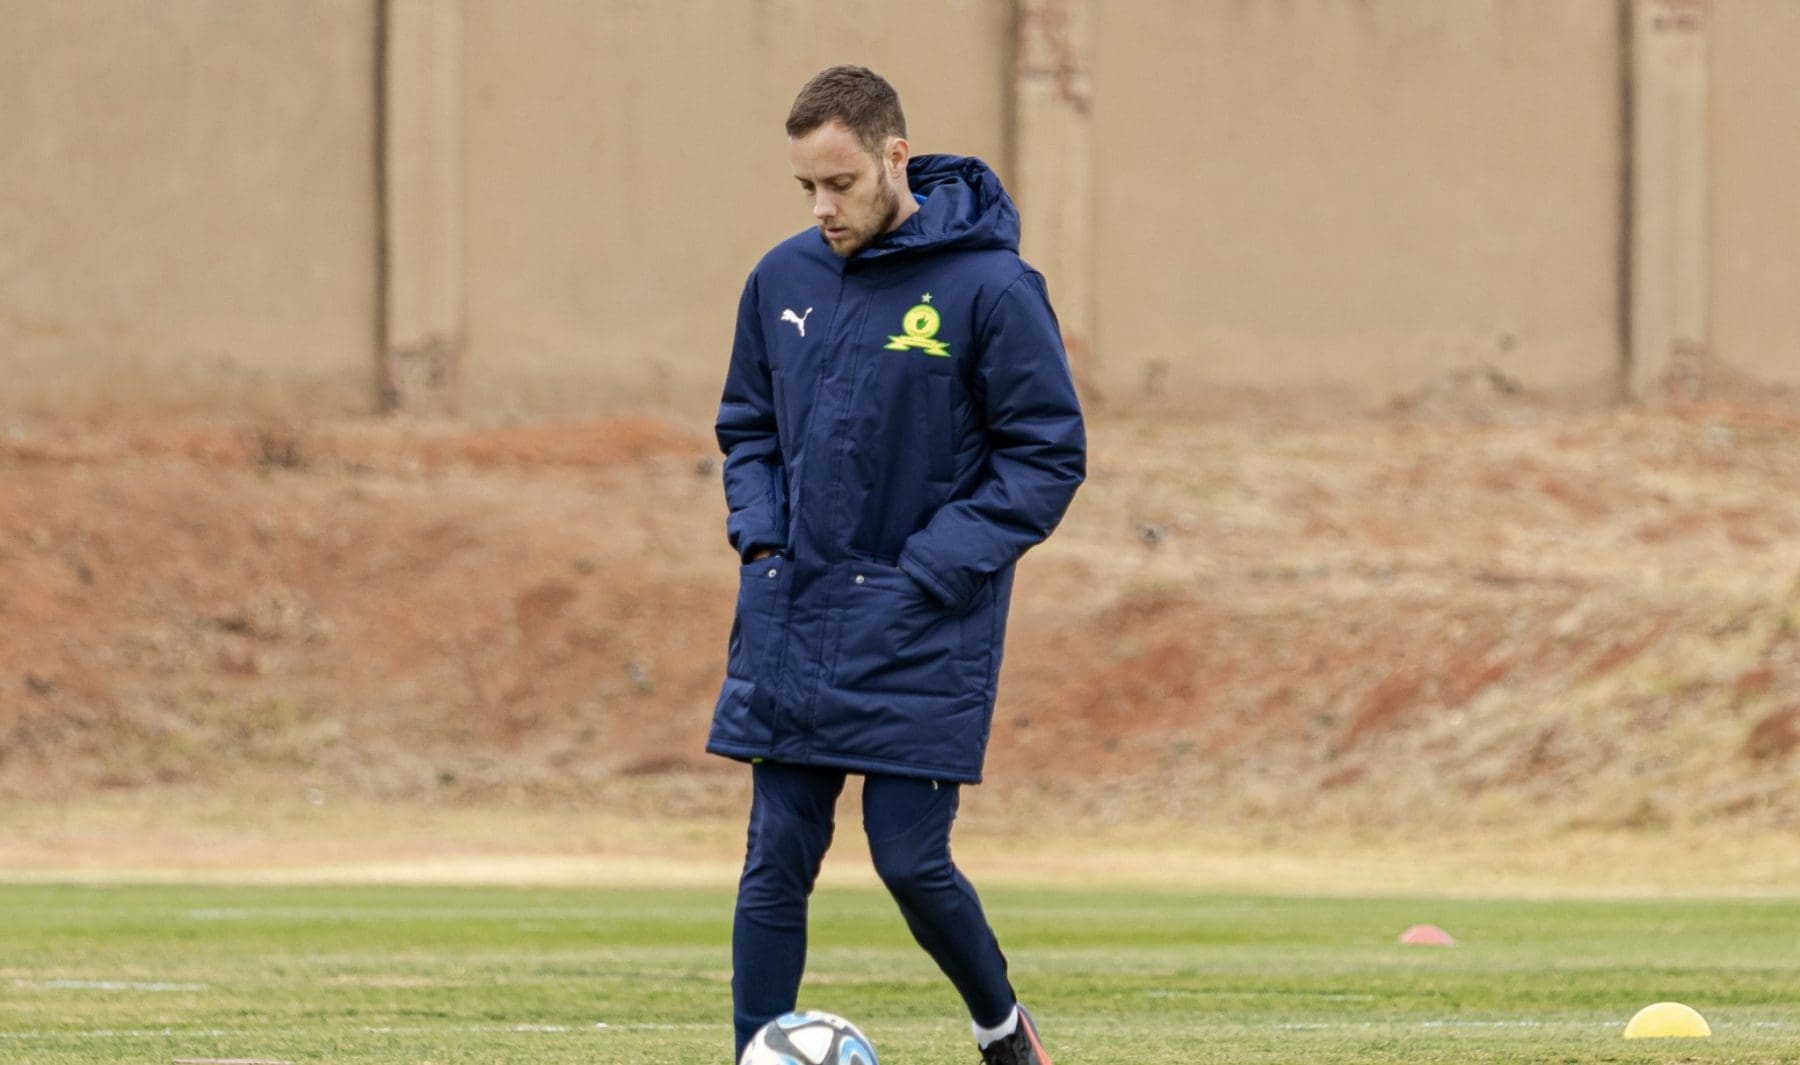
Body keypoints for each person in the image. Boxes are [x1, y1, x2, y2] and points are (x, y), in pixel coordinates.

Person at [708, 65, 1085, 1065]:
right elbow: (746, 426)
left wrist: (929, 570)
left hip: (923, 619)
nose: (824, 208)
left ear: (894, 157)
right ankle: (759, 1056)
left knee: (911, 861)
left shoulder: (992, 288)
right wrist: (765, 536)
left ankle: (1004, 1031)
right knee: (774, 860)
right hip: (794, 609)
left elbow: (1046, 452)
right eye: (807, 190)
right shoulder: (781, 281)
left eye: (841, 183)